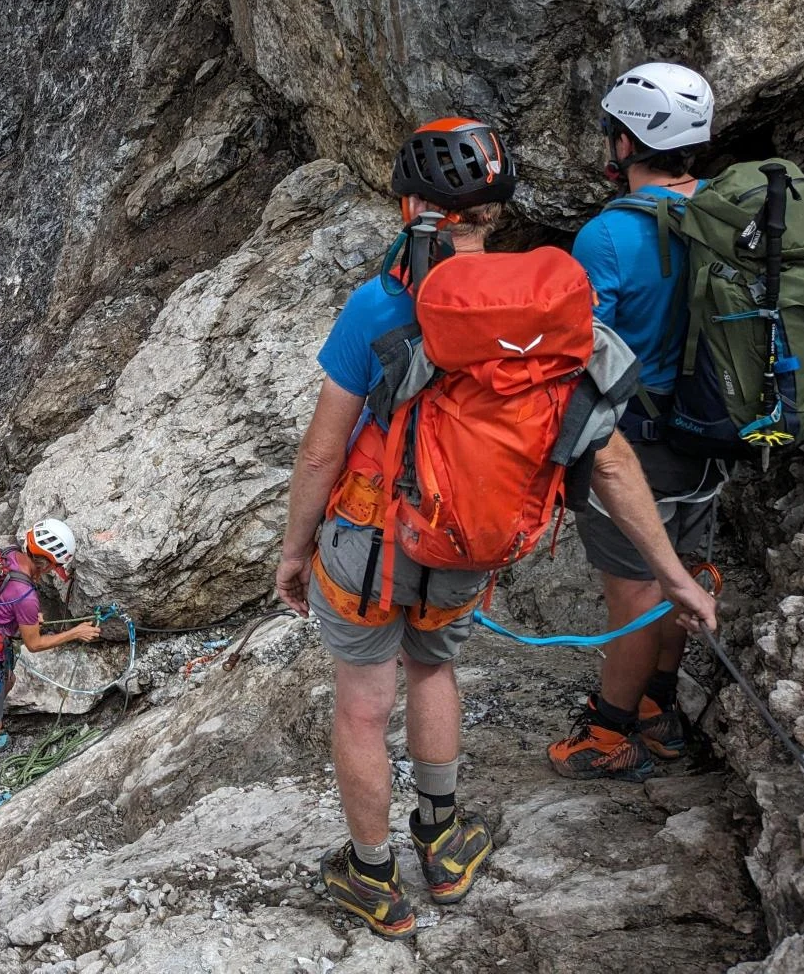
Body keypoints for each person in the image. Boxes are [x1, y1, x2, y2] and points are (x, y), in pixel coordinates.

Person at [275, 118, 719, 941]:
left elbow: (319, 450)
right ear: (495, 211)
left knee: (364, 709)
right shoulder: (551, 309)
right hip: (468, 539)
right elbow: (610, 460)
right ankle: (443, 843)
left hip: (367, 541)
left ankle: (375, 881)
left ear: (413, 202)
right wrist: (678, 575)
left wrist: (295, 551)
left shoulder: (382, 301)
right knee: (433, 671)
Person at [547, 62, 729, 782]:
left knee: (636, 591)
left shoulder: (607, 236)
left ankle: (611, 729)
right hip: (713, 429)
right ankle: (658, 706)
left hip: (637, 440)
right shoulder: (725, 208)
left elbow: (583, 350)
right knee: (680, 568)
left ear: (628, 143)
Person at [0, 519, 102, 820]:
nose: (53, 573)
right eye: (53, 567)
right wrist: (75, 633)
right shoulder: (24, 594)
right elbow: (34, 644)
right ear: (46, 563)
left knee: (8, 680)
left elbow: (2, 597)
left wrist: (20, 615)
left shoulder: (9, 555)